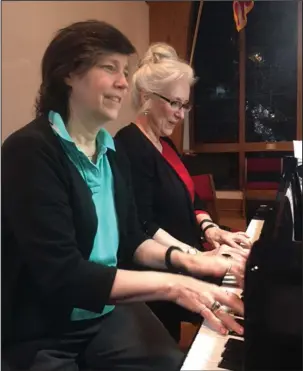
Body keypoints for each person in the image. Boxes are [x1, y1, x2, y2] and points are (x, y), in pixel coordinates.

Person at [2, 22, 244, 371]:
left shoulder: (110, 150)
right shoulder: (29, 151)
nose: (123, 82)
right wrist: (177, 286)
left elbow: (132, 239)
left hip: (105, 313)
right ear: (69, 73)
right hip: (44, 328)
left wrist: (198, 263)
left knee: (175, 364)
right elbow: (64, 274)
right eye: (109, 68)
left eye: (125, 71)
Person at [115, 43, 252, 340]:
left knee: (252, 284)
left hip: (188, 258)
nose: (181, 114)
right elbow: (143, 226)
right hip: (160, 273)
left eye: (185, 105)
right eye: (174, 103)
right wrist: (199, 258)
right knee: (240, 316)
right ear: (146, 98)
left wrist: (213, 230)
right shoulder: (129, 145)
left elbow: (192, 197)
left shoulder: (165, 143)